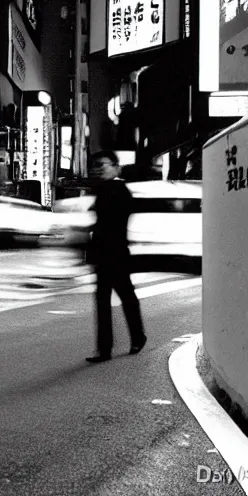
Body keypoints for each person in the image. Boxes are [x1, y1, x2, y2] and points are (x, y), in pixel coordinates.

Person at [85, 150, 146, 363]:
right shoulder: (100, 190)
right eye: (96, 166)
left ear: (115, 167)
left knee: (126, 297)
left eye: (103, 165)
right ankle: (104, 349)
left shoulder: (120, 190)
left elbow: (114, 222)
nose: (99, 169)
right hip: (103, 254)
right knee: (102, 301)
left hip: (117, 253)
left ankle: (137, 337)